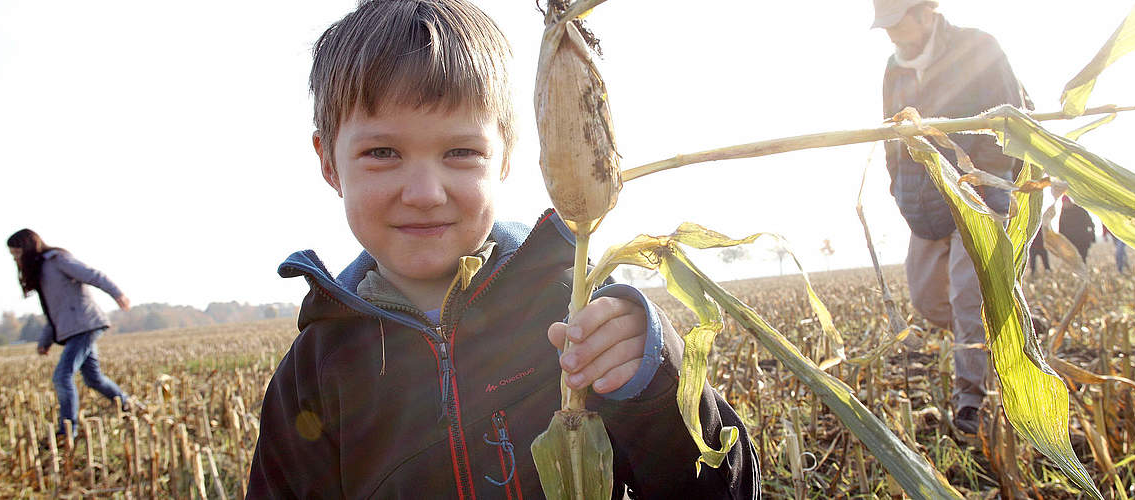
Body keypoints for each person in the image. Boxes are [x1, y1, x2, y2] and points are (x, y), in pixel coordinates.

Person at [246, 1, 759, 498]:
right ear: (329, 162)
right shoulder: (311, 376)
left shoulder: (580, 313)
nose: (425, 193)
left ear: (507, 155)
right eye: (383, 153)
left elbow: (724, 489)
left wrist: (654, 381)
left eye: (461, 152)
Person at [874, 0, 1030, 435]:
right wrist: (896, 185)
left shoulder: (979, 47)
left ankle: (970, 401)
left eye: (896, 22)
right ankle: (1000, 332)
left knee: (966, 298)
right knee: (926, 298)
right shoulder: (894, 68)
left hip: (977, 192)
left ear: (925, 12)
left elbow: (1010, 121)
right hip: (924, 198)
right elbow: (890, 134)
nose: (890, 33)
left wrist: (982, 176)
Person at [6, 229, 136, 439]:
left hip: (85, 324)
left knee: (62, 375)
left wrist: (117, 293)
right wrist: (45, 340)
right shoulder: (40, 271)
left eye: (17, 254)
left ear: (27, 249)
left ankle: (68, 431)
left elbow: (93, 275)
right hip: (75, 328)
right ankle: (129, 404)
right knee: (93, 378)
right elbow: (54, 311)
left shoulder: (57, 260)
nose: (16, 259)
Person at [1058, 196, 1095, 263]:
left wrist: (1092, 236)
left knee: (1082, 257)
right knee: (1074, 260)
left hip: (1082, 240)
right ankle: (1079, 271)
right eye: (1064, 203)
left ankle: (1083, 270)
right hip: (1070, 241)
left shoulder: (1080, 210)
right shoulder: (1062, 213)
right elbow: (1060, 229)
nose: (1065, 204)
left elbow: (1090, 223)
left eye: (1066, 202)